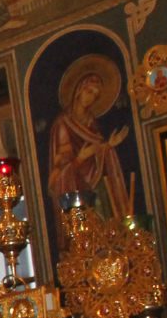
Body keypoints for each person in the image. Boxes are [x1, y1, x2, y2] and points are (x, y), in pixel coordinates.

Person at [47, 53, 131, 217]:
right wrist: (80, 158)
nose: (91, 98)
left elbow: (96, 150)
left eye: (95, 95)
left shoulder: (92, 123)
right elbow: (61, 169)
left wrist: (109, 146)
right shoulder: (63, 124)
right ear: (79, 89)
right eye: (89, 91)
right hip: (77, 187)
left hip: (97, 183)